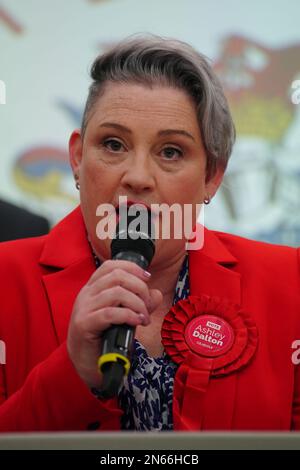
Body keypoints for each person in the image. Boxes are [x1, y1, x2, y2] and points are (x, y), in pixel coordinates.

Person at [0, 35, 299, 432]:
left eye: (171, 151)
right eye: (113, 144)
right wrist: (71, 373)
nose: (138, 177)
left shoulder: (289, 282)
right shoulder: (5, 279)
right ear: (77, 158)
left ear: (212, 176)